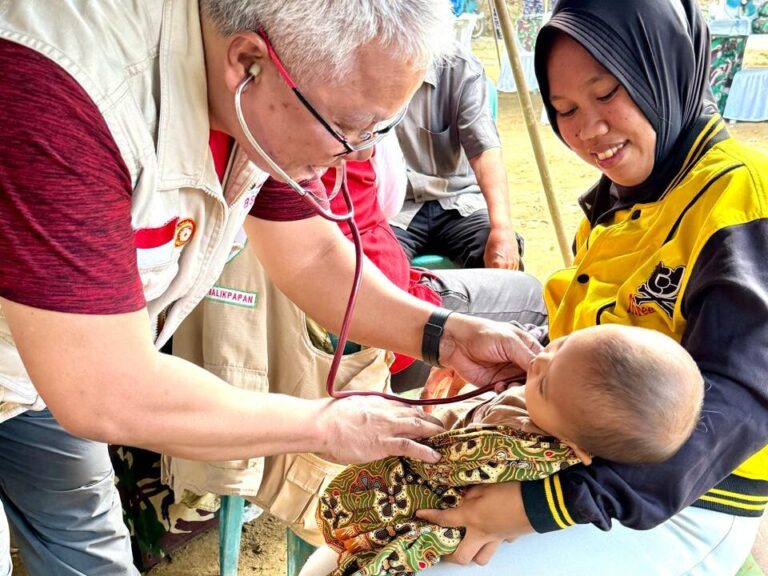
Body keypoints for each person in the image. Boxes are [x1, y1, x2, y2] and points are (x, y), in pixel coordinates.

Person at [0, 2, 546, 574]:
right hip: (68, 366)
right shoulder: (63, 87)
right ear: (249, 62)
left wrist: (446, 334)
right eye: (352, 128)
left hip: (42, 369)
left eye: (380, 129)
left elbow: (310, 255)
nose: (361, 154)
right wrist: (322, 425)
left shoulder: (272, 98)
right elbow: (103, 388)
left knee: (89, 554)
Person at [379, 2, 766, 574]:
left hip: (684, 501)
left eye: (607, 92)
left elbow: (736, 407)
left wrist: (539, 507)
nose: (587, 130)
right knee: (377, 530)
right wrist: (524, 360)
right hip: (571, 461)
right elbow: (590, 348)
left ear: (662, 67)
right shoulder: (617, 205)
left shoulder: (743, 201)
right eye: (564, 109)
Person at [302, 323, 705, 576]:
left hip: (434, 516)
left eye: (544, 385)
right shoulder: (553, 403)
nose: (540, 363)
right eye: (562, 344)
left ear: (578, 450)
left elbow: (448, 460)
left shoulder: (522, 450)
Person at [391, 43, 523, 270]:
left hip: (458, 201)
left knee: (498, 255)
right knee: (374, 269)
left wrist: (502, 228)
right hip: (393, 210)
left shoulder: (460, 66)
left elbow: (484, 151)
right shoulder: (363, 68)